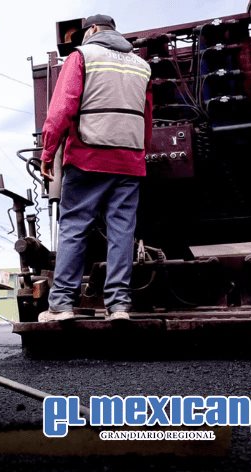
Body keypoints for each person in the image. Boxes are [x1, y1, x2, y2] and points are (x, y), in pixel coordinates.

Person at [37, 14, 152, 323]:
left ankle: (61, 304)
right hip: (129, 160)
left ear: (94, 30)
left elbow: (62, 107)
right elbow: (146, 118)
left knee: (74, 226)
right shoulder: (142, 65)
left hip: (88, 157)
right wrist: (140, 154)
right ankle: (119, 307)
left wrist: (48, 152)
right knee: (122, 232)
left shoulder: (82, 56)